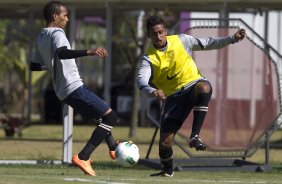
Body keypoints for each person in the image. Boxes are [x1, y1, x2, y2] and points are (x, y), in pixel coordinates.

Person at [137, 15, 245, 177]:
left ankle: (195, 136)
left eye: (160, 32)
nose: (158, 37)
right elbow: (141, 81)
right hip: (173, 97)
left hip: (192, 85)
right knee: (165, 143)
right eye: (154, 34)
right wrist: (152, 91)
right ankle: (167, 171)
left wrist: (232, 39)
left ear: (166, 31)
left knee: (204, 86)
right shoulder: (149, 58)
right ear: (148, 36)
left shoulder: (182, 40)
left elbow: (207, 43)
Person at [30, 1, 119, 176]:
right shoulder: (58, 33)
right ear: (55, 16)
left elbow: (34, 66)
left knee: (99, 116)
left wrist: (51, 66)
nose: (67, 19)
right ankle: (83, 156)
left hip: (62, 91)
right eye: (65, 15)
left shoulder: (41, 36)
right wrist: (90, 51)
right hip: (73, 87)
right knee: (111, 117)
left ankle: (113, 147)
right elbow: (62, 53)